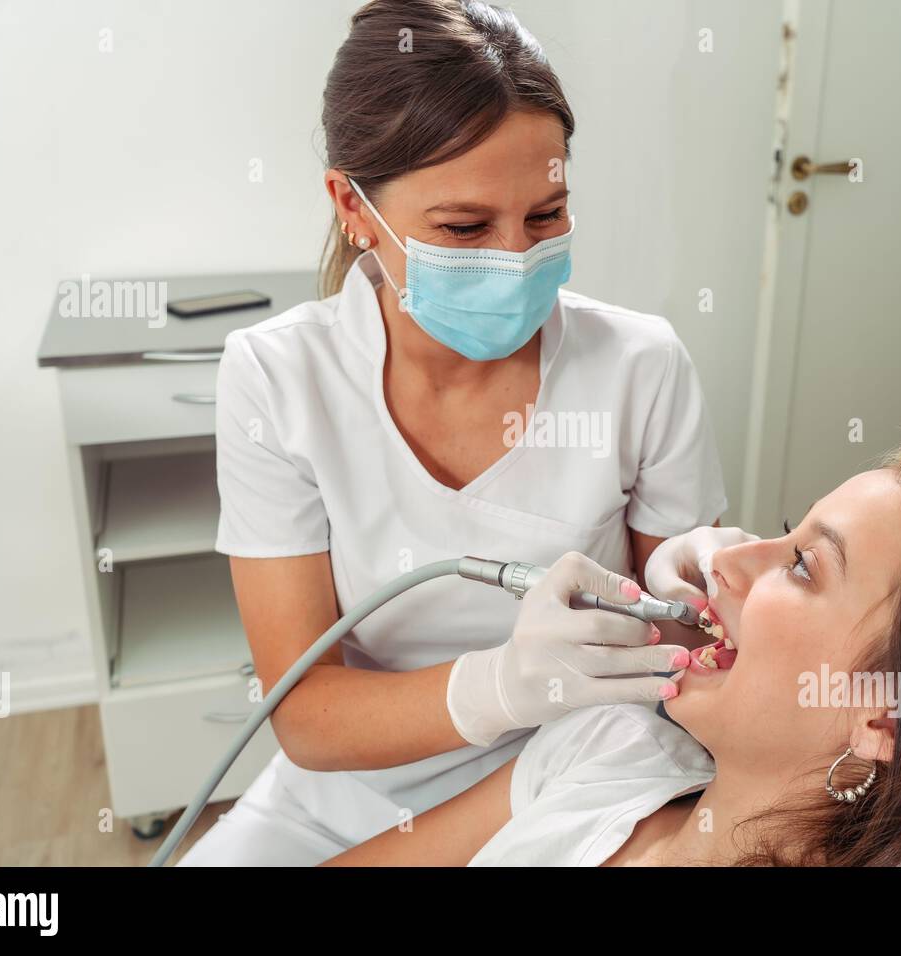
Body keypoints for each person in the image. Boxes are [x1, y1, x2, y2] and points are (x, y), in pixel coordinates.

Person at [179, 0, 730, 865]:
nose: (516, 257)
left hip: (581, 767)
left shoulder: (640, 365)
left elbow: (693, 648)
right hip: (350, 787)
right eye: (466, 228)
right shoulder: (278, 378)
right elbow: (308, 719)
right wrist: (503, 684)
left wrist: (684, 594)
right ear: (353, 207)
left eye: (546, 216)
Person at [320, 438, 901, 866]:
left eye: (801, 566)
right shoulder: (612, 745)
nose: (725, 559)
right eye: (784, 532)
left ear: (893, 718)